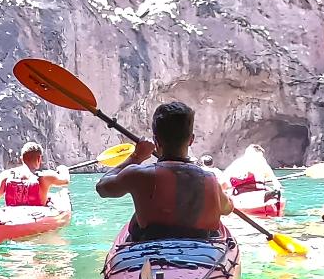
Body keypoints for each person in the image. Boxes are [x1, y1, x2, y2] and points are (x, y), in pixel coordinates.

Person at [96, 101, 232, 241]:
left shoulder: (138, 175)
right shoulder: (210, 179)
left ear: (156, 142)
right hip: (202, 254)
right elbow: (227, 209)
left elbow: (102, 187)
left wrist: (136, 157)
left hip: (149, 252)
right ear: (191, 140)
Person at [0, 142, 69, 208]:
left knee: (49, 196)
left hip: (11, 217)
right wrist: (63, 169)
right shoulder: (46, 177)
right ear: (39, 158)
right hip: (36, 219)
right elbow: (65, 181)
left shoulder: (6, 175)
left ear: (21, 159)